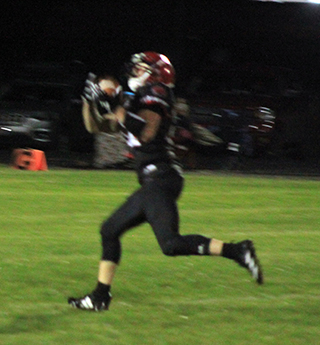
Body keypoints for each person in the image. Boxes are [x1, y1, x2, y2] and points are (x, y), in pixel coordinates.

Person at [68, 52, 263, 312]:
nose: (134, 73)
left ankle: (238, 250)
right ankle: (100, 297)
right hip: (155, 179)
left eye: (140, 68)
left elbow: (147, 132)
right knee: (111, 231)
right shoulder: (137, 99)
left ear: (156, 72)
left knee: (169, 244)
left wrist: (114, 107)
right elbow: (97, 127)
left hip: (160, 176)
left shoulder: (157, 91)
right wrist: (89, 101)